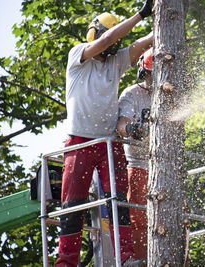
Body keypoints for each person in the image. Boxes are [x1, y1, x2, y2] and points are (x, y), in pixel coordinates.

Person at [56, 1, 153, 266]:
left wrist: (163, 21)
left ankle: (127, 257)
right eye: (107, 36)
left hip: (110, 144)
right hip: (79, 142)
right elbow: (111, 37)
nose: (111, 41)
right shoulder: (78, 55)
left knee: (118, 204)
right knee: (72, 207)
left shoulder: (116, 62)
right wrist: (142, 14)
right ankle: (66, 263)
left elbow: (142, 44)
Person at [116, 48, 153, 260]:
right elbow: (122, 124)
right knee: (138, 223)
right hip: (137, 166)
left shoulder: (170, 95)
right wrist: (132, 130)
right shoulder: (131, 94)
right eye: (151, 74)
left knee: (179, 220)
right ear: (143, 72)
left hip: (166, 169)